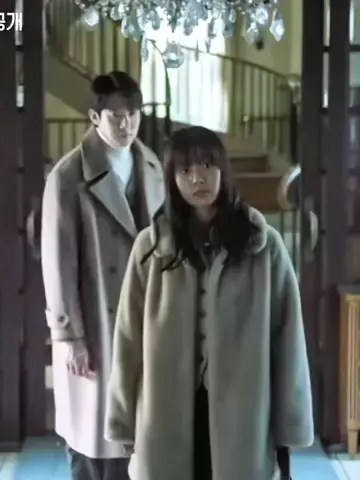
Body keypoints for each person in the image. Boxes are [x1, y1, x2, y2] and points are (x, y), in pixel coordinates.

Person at [105, 126, 314, 480]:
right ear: (172, 179)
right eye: (185, 169)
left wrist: (289, 427)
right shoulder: (151, 248)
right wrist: (123, 420)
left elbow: (288, 341)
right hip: (166, 408)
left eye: (207, 165)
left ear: (223, 170)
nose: (197, 178)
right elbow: (128, 340)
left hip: (243, 411)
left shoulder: (264, 246)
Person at [41, 70, 165, 480]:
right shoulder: (67, 176)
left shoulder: (153, 165)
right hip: (95, 324)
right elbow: (57, 264)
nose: (126, 124)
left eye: (133, 115)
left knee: (142, 440)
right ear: (95, 118)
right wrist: (69, 336)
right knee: (94, 444)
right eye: (116, 116)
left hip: (145, 319)